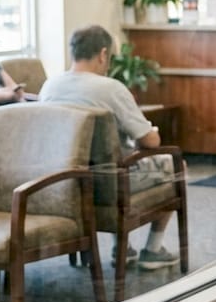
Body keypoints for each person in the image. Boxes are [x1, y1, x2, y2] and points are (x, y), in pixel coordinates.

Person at [38, 25, 179, 270]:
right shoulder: (110, 88)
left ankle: (122, 248)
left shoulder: (50, 86)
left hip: (62, 183)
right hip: (109, 182)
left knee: (113, 159)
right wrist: (152, 131)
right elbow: (149, 141)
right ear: (103, 54)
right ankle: (153, 250)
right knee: (176, 165)